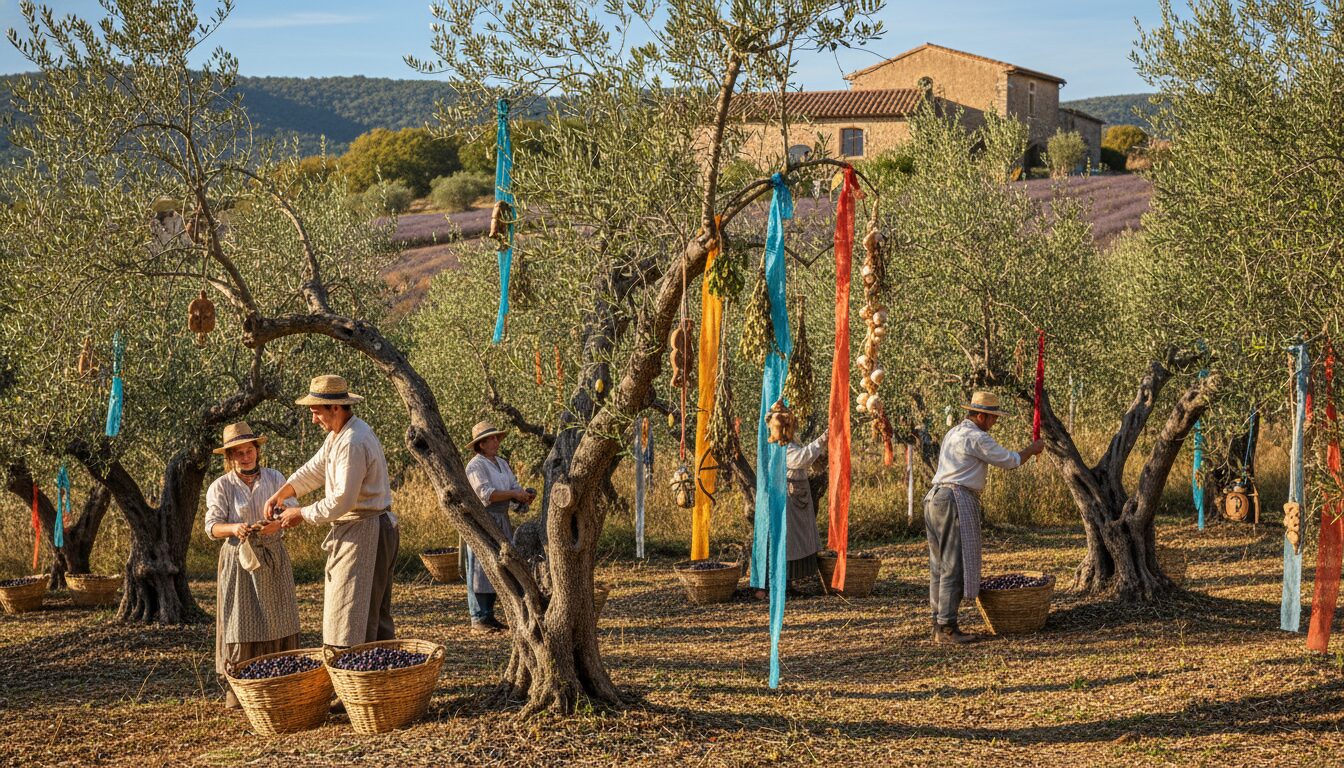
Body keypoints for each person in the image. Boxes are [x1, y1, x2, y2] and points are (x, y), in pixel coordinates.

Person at [269, 375, 398, 652]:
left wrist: (301, 513)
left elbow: (342, 500)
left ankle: (362, 670)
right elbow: (315, 469)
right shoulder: (339, 436)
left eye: (317, 412)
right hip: (358, 531)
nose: (314, 419)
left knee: (357, 614)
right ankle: (362, 670)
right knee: (359, 611)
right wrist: (283, 492)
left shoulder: (353, 441)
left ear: (336, 408)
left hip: (367, 531)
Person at [925, 391, 1044, 645]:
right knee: (953, 565)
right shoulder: (976, 437)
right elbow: (1010, 461)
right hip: (953, 498)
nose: (995, 422)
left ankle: (939, 621)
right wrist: (1032, 449)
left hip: (935, 498)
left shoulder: (954, 433)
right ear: (981, 416)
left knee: (939, 565)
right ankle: (947, 627)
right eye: (993, 418)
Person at [204, 422, 300, 709]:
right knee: (239, 620)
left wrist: (277, 522)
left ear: (257, 451)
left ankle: (279, 680)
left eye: (249, 451)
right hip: (240, 559)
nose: (246, 457)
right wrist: (234, 528)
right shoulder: (221, 486)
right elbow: (212, 527)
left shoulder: (275, 478)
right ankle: (240, 687)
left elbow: (291, 512)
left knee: (278, 615)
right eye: (239, 453)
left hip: (273, 555)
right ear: (229, 457)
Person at [463, 420, 536, 633]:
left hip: (501, 518)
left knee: (499, 565)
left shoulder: (502, 463)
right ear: (482, 444)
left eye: (496, 437)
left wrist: (523, 495)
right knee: (480, 567)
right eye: (491, 438)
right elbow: (486, 494)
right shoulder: (475, 466)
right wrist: (514, 494)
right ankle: (479, 617)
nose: (496, 441)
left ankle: (490, 615)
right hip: (483, 519)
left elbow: (513, 487)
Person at [753, 433, 827, 600]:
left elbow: (804, 459)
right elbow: (800, 458)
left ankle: (786, 584)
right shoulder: (781, 445)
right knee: (780, 541)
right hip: (785, 497)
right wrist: (822, 439)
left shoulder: (789, 442)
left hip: (795, 497)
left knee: (791, 542)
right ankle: (765, 588)